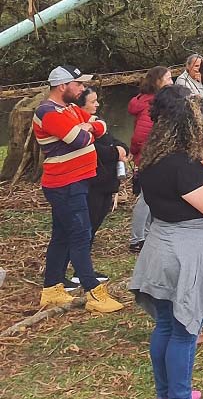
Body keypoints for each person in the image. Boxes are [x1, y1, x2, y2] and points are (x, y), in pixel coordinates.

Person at [129, 87, 203, 399]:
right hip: (185, 254)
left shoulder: (154, 159)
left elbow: (182, 192)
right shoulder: (180, 165)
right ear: (190, 125)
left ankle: (166, 396)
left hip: (160, 247)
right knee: (184, 330)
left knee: (166, 324)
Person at [34, 65, 124, 313]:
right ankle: (93, 292)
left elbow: (101, 125)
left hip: (77, 182)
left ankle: (51, 289)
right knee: (81, 235)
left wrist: (87, 127)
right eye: (79, 85)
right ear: (63, 86)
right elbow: (80, 140)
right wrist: (85, 130)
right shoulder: (47, 112)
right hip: (64, 184)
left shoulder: (70, 109)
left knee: (63, 234)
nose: (82, 89)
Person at [130, 66, 174, 252]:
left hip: (156, 155)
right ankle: (137, 239)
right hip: (150, 157)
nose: (172, 82)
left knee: (151, 197)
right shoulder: (151, 105)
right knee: (145, 199)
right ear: (157, 82)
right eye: (168, 78)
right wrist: (140, 155)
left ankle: (147, 234)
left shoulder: (157, 102)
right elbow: (140, 137)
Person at [77, 87, 128, 245]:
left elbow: (113, 140)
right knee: (88, 222)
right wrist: (115, 152)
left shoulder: (97, 122)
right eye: (93, 101)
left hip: (107, 181)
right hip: (94, 181)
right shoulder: (79, 126)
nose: (97, 104)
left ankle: (84, 261)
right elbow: (91, 149)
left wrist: (123, 148)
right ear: (80, 105)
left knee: (97, 219)